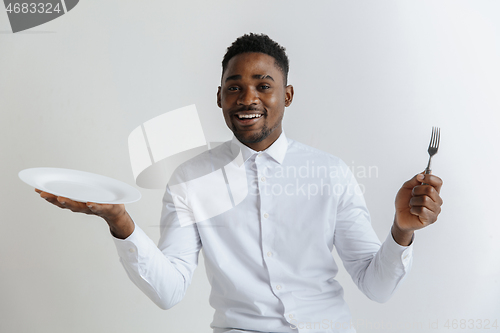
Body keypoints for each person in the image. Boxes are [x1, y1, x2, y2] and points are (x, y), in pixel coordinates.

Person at [37, 33, 443, 333]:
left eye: (263, 86)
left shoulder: (329, 173)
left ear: (287, 95)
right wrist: (121, 222)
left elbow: (377, 287)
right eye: (235, 87)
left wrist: (400, 231)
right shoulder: (190, 180)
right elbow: (168, 290)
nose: (247, 98)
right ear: (219, 98)